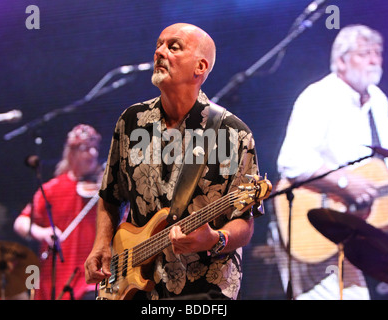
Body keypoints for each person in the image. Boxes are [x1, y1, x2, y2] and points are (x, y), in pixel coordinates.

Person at [84, 23, 261, 300]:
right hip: (134, 287)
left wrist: (216, 240)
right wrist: (101, 245)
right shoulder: (131, 121)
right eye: (158, 44)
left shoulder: (232, 134)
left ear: (200, 67)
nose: (159, 52)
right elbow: (110, 195)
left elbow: (244, 222)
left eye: (173, 46)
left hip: (204, 289)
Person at [274, 24, 388, 300]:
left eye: (377, 53)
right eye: (364, 53)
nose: (374, 59)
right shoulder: (319, 96)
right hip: (310, 223)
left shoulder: (378, 100)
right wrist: (347, 182)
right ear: (341, 60)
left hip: (350, 232)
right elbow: (291, 160)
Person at [14, 124, 103, 300]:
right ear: (72, 152)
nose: (93, 154)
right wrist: (43, 232)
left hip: (91, 281)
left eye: (95, 148)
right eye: (86, 148)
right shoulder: (52, 189)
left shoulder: (103, 189)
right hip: (58, 278)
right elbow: (21, 222)